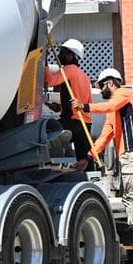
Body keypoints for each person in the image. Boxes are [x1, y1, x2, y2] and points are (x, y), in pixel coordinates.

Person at [84, 67, 133, 248]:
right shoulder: (114, 109)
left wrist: (85, 107)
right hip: (128, 155)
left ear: (110, 83)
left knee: (130, 195)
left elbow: (110, 105)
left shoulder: (123, 94)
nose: (100, 91)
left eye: (101, 87)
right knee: (127, 195)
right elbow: (106, 134)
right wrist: (90, 155)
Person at [44, 38, 94, 171]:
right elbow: (84, 101)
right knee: (84, 162)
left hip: (72, 121)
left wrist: (44, 59)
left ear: (71, 56)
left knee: (46, 132)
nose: (59, 55)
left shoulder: (69, 69)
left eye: (62, 52)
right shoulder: (84, 76)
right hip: (85, 123)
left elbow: (50, 80)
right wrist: (60, 107)